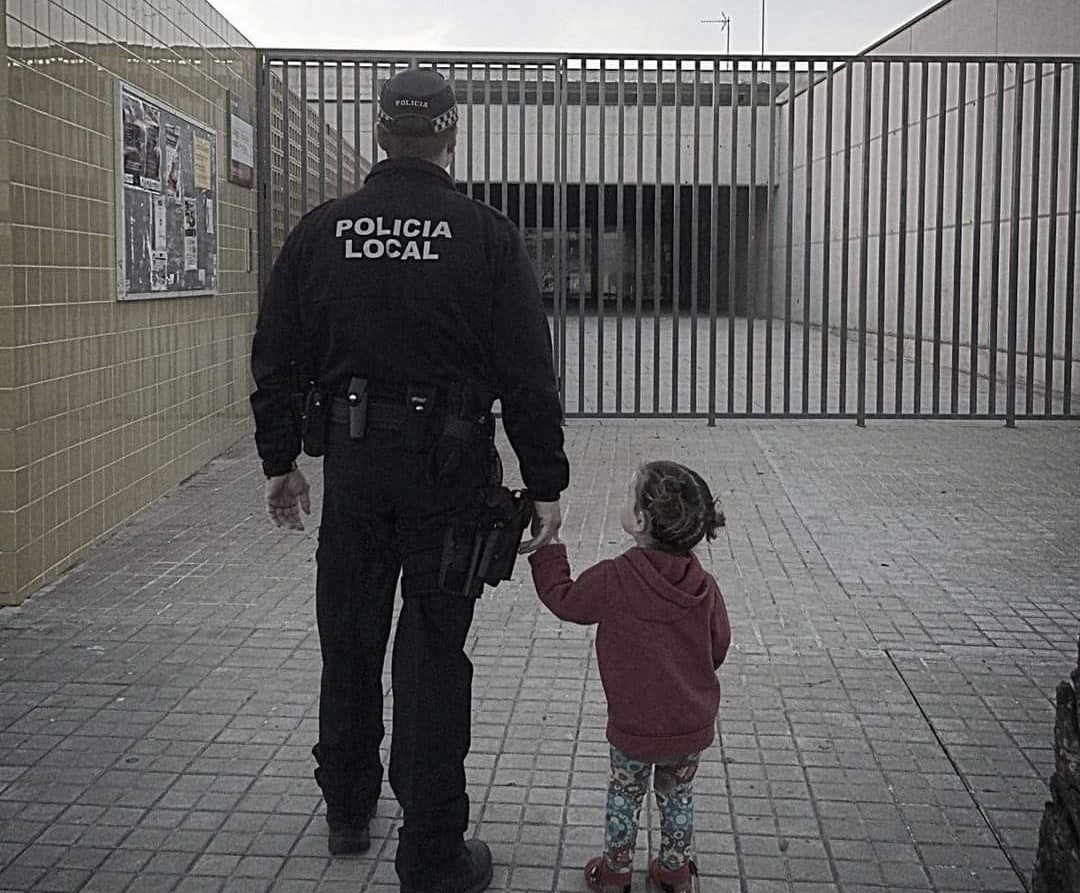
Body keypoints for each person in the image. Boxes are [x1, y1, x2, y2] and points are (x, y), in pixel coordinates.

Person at [250, 67, 568, 893]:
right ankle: (431, 851)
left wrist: (280, 460)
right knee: (432, 653)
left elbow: (277, 353)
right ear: (451, 134)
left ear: (381, 134)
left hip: (355, 471)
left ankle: (349, 807)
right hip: (452, 475)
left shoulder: (323, 232)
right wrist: (545, 480)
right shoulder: (487, 237)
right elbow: (530, 374)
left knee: (349, 639)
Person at [528, 460, 730, 893]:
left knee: (625, 795)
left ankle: (616, 873)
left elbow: (566, 601)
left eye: (628, 496)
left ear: (640, 520)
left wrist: (549, 551)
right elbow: (718, 647)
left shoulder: (616, 577)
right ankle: (674, 870)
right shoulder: (705, 586)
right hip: (689, 722)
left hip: (634, 724)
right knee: (677, 796)